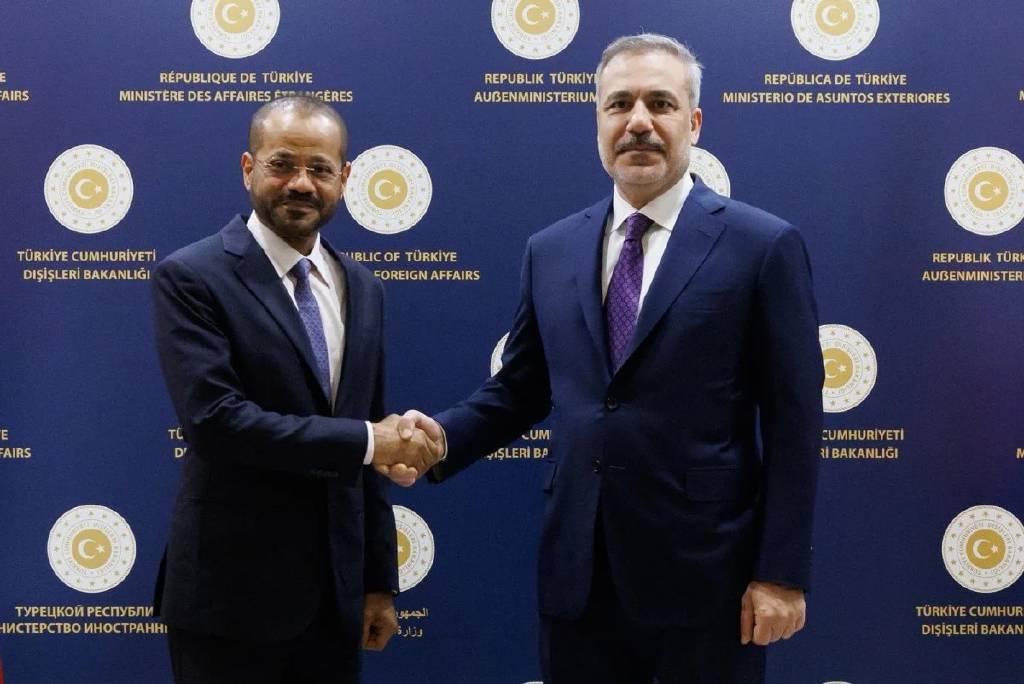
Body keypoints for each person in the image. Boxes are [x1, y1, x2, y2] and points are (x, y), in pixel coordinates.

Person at [395, 34, 823, 683]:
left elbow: (795, 422)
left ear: (694, 122)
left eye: (661, 104)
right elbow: (519, 390)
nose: (638, 121)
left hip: (710, 582)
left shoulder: (762, 246)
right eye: (619, 104)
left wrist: (781, 574)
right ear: (598, 120)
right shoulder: (551, 249)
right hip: (579, 579)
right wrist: (440, 440)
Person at [151, 95, 440, 684]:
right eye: (282, 164)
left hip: (335, 603)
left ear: (345, 178)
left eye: (320, 169)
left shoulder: (363, 288)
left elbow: (370, 437)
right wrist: (370, 441)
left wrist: (378, 582)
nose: (301, 183)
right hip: (229, 602)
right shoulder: (191, 276)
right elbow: (216, 422)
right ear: (248, 168)